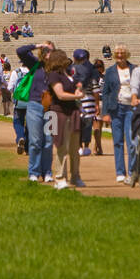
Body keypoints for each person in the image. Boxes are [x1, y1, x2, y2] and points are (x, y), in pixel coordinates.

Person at [44, 49, 84, 189]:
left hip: (72, 112)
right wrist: (77, 96)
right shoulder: (54, 75)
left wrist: (78, 90)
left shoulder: (67, 74)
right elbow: (60, 95)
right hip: (60, 113)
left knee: (74, 148)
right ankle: (60, 177)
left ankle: (75, 176)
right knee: (62, 146)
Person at [17, 41, 55, 183]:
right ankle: (33, 172)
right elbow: (20, 51)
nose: (48, 54)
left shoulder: (58, 69)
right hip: (34, 105)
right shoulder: (36, 64)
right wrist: (37, 45)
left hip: (51, 108)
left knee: (49, 141)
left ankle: (47, 172)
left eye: (51, 51)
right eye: (45, 51)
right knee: (35, 141)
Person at [100, 45, 136, 182]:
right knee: (118, 141)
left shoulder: (134, 69)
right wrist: (105, 113)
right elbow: (105, 92)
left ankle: (132, 171)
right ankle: (120, 172)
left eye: (122, 53)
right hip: (116, 108)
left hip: (131, 108)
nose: (120, 55)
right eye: (117, 53)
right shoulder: (110, 71)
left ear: (127, 54)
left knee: (132, 140)